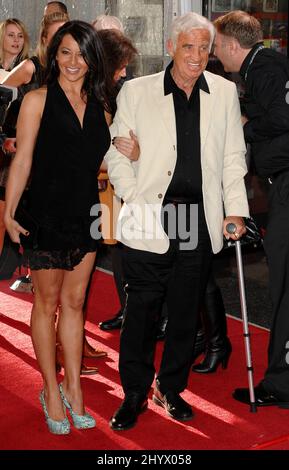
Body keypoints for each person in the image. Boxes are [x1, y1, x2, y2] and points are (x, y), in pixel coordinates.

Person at [105, 11, 249, 431]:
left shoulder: (224, 92)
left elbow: (232, 158)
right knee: (142, 311)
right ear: (171, 47)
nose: (197, 55)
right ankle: (134, 392)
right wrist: (134, 199)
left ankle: (169, 387)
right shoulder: (137, 91)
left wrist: (235, 209)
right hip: (150, 216)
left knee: (186, 313)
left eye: (204, 48)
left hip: (198, 220)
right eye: (189, 46)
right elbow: (117, 153)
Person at [4, 20, 111, 434]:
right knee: (45, 304)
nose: (73, 61)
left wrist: (131, 152)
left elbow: (102, 163)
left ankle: (74, 388)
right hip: (46, 215)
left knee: (76, 304)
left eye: (81, 54)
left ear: (92, 59)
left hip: (86, 215)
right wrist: (9, 212)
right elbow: (23, 160)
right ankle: (50, 389)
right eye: (65, 52)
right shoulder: (37, 100)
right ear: (54, 55)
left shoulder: (102, 106)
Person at [214, 10, 289, 408]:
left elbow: (282, 116)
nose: (213, 52)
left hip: (287, 188)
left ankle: (280, 383)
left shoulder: (264, 68)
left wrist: (244, 126)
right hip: (282, 186)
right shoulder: (269, 64)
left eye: (214, 44)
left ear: (230, 44)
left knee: (284, 288)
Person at [0, 18, 30, 273]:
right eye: (11, 35)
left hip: (21, 146)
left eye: (20, 35)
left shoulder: (29, 69)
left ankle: (13, 261)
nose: (16, 40)